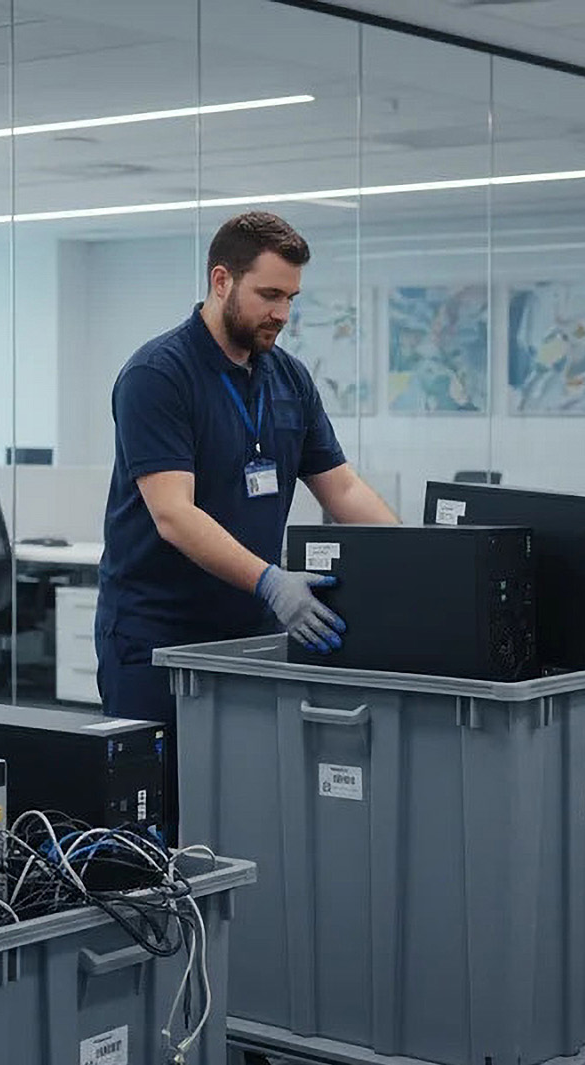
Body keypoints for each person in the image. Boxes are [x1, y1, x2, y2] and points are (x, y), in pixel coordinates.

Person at [95, 210, 397, 735]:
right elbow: (173, 515)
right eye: (269, 295)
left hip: (248, 632)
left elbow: (342, 487)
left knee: (241, 797)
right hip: (157, 636)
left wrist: (419, 561)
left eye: (290, 299)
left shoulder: (289, 378)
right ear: (221, 281)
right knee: (158, 805)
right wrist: (271, 582)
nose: (282, 314)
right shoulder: (158, 375)